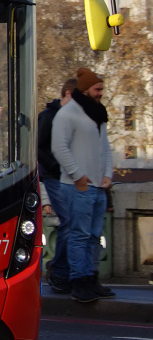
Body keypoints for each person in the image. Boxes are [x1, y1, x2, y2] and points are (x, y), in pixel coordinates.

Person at [51, 67, 115, 303]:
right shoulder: (67, 115)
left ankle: (90, 278)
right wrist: (78, 176)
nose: (100, 93)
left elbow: (105, 147)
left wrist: (108, 173)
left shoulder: (98, 114)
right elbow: (59, 148)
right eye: (97, 89)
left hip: (97, 186)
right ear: (85, 89)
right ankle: (78, 281)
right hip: (77, 186)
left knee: (93, 236)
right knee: (80, 235)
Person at [37, 77, 78, 293]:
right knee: (69, 221)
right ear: (69, 94)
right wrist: (59, 167)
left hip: (69, 177)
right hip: (54, 177)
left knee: (74, 223)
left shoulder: (72, 116)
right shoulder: (49, 116)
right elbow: (40, 149)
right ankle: (60, 271)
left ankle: (64, 269)